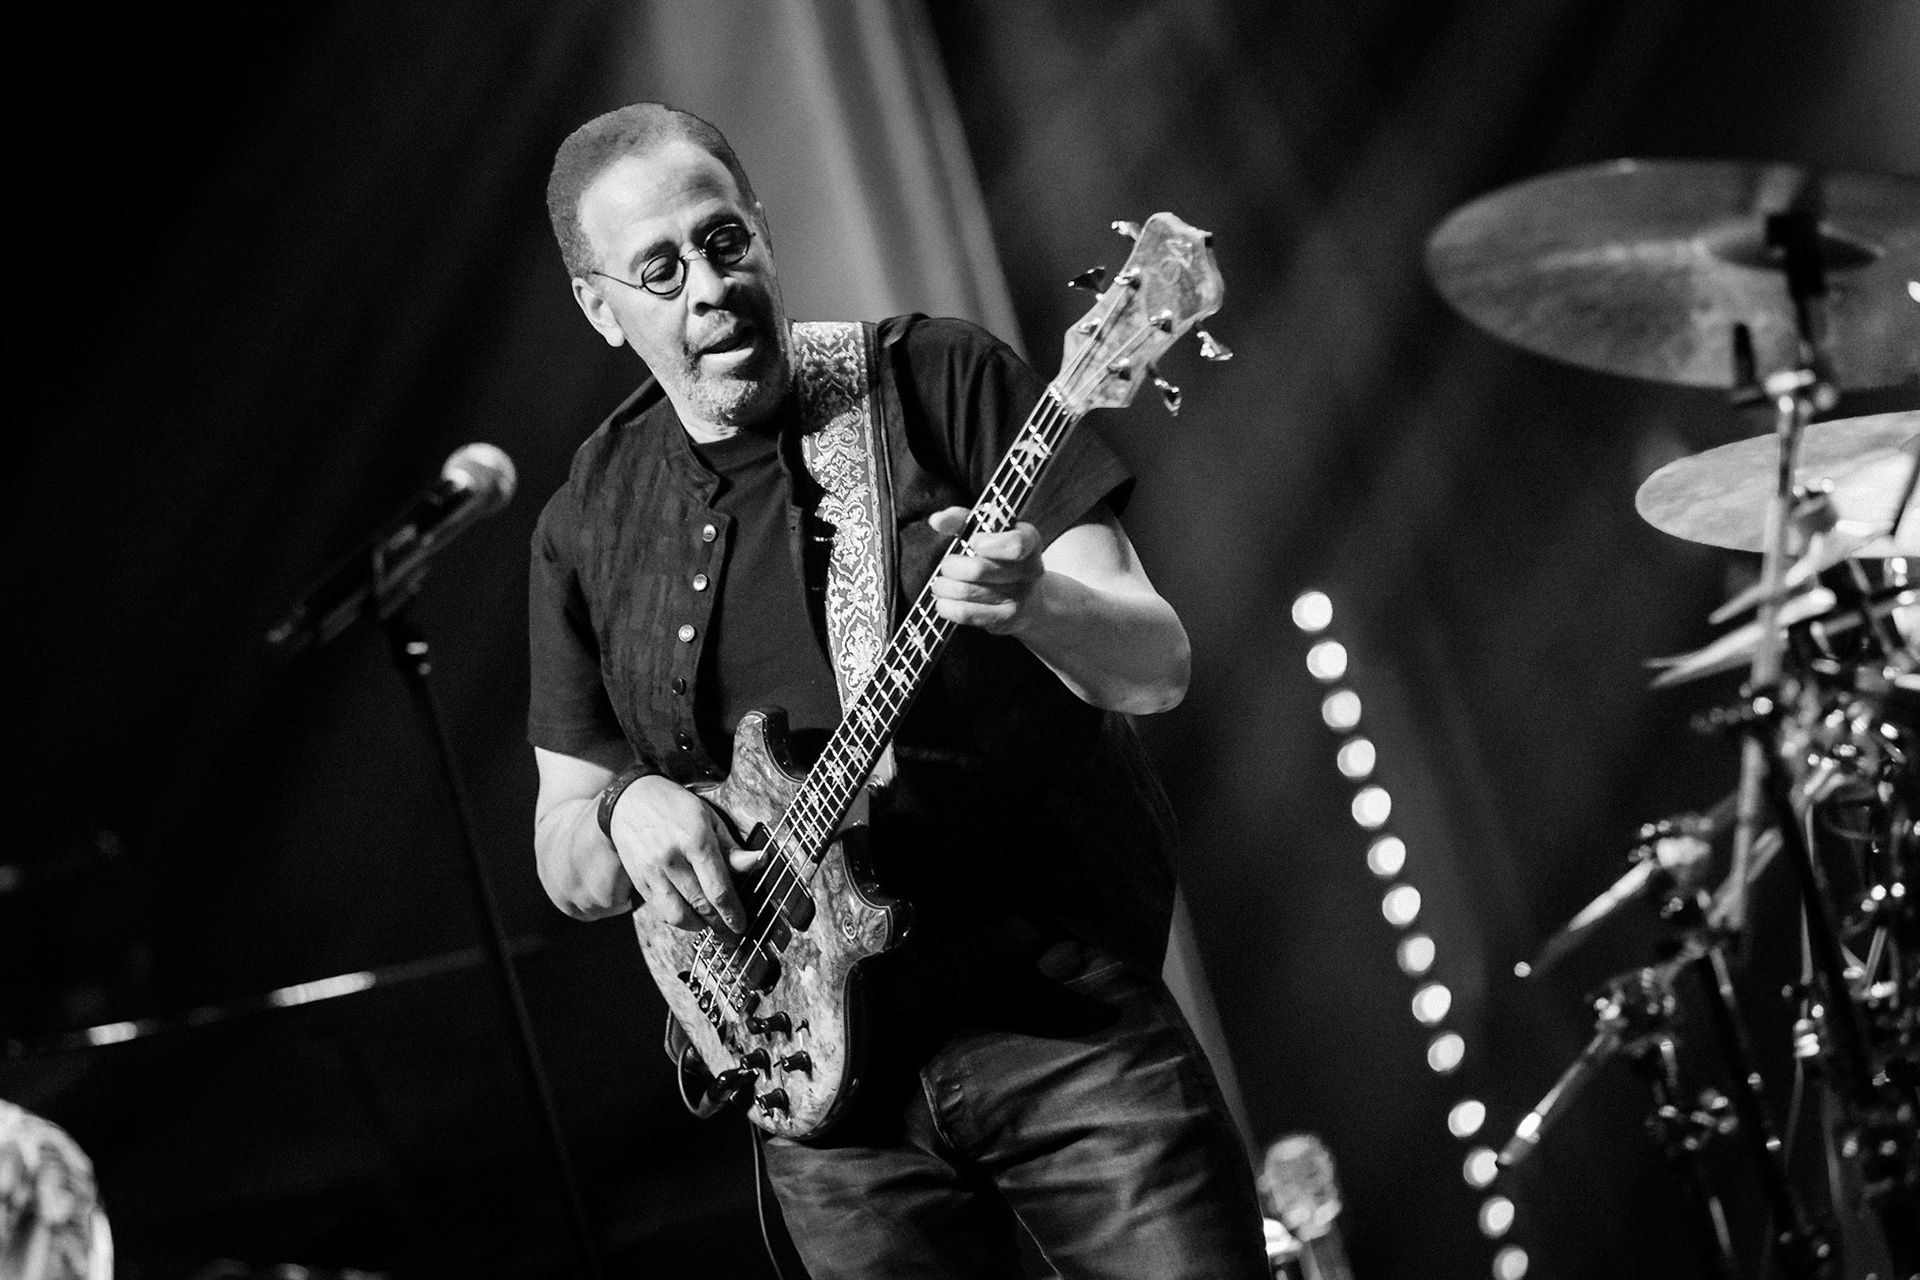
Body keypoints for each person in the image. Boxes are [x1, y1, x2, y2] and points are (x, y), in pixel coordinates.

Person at [528, 101, 1267, 1280]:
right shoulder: (587, 522)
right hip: (825, 1116)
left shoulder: (936, 377)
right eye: (658, 271)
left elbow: (1158, 664)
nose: (708, 288)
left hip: (1062, 1034)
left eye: (723, 241)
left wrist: (1036, 605)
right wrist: (624, 810)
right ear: (597, 305)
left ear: (763, 231)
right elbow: (563, 853)